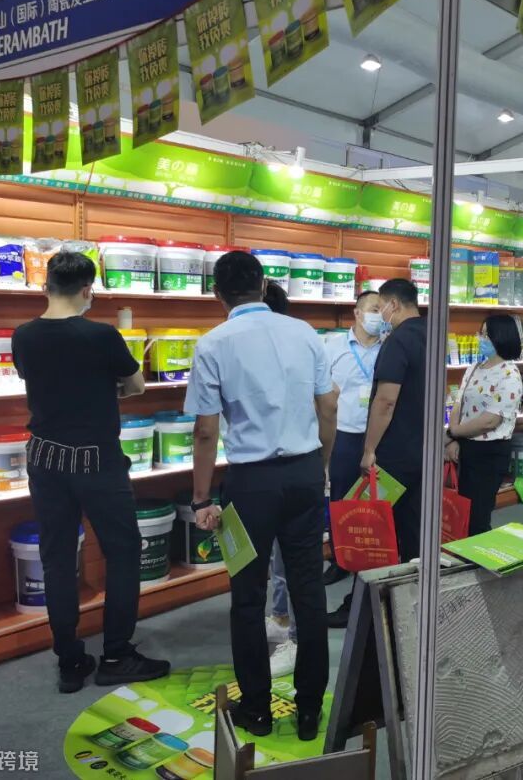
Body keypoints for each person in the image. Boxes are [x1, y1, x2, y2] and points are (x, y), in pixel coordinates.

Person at [186, 251, 336, 741]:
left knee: (247, 598)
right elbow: (327, 406)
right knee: (309, 591)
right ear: (264, 283)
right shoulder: (304, 332)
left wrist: (201, 499)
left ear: (217, 294)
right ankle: (309, 710)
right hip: (305, 472)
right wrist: (322, 465)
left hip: (250, 483)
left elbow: (206, 431)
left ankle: (257, 710)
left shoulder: (213, 343)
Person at [12, 252, 170, 693]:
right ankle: (116, 654)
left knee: (58, 557)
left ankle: (70, 660)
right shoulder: (102, 335)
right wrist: (104, 389)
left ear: (46, 286)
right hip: (96, 459)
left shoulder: (23, 336)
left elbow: (37, 380)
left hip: (45, 458)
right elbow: (136, 385)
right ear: (87, 290)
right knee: (123, 551)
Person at [325, 291, 384, 627]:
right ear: (357, 313)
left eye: (381, 309)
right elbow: (323, 393)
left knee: (373, 502)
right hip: (344, 434)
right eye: (373, 309)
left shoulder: (389, 346)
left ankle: (367, 556)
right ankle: (340, 559)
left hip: (377, 435)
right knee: (340, 500)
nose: (378, 315)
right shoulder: (333, 347)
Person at [361, 279, 426, 561]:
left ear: (394, 304)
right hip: (424, 448)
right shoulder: (434, 333)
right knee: (416, 527)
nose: (380, 314)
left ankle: (388, 586)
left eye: (380, 307)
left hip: (396, 451)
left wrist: (369, 450)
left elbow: (386, 401)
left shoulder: (398, 341)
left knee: (384, 528)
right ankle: (417, 581)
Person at [445, 314, 523, 536]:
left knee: (478, 515)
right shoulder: (474, 368)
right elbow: (459, 402)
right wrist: (454, 438)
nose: (481, 338)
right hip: (465, 446)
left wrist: (454, 432)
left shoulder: (510, 374)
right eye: (481, 333)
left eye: (487, 335)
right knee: (462, 510)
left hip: (490, 452)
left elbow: (490, 420)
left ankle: (478, 555)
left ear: (501, 337)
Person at [260, 279, 299, 679]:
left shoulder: (295, 346)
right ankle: (281, 618)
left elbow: (327, 404)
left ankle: (294, 639)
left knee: (292, 557)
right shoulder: (299, 341)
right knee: (278, 554)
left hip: (288, 463)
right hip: (274, 464)